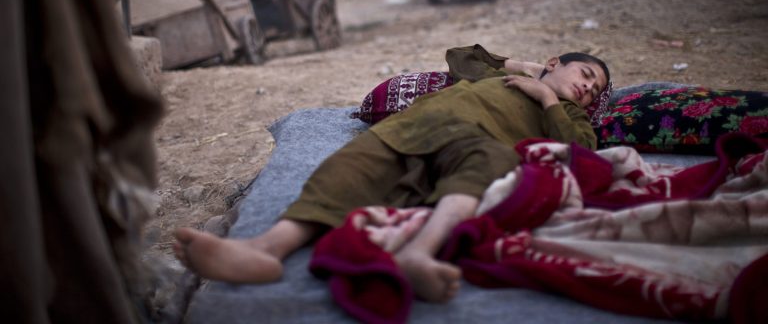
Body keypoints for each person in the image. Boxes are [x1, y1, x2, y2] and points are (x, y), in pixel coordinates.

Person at [174, 47, 610, 303]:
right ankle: (265, 249)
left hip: (479, 140)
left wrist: (547, 99)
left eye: (593, 91)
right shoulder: (500, 76)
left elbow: (583, 150)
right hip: (417, 126)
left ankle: (419, 253)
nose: (586, 89)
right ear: (555, 62)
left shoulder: (569, 114)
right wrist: (526, 70)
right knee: (348, 168)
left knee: (485, 169)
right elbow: (461, 56)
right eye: (585, 75)